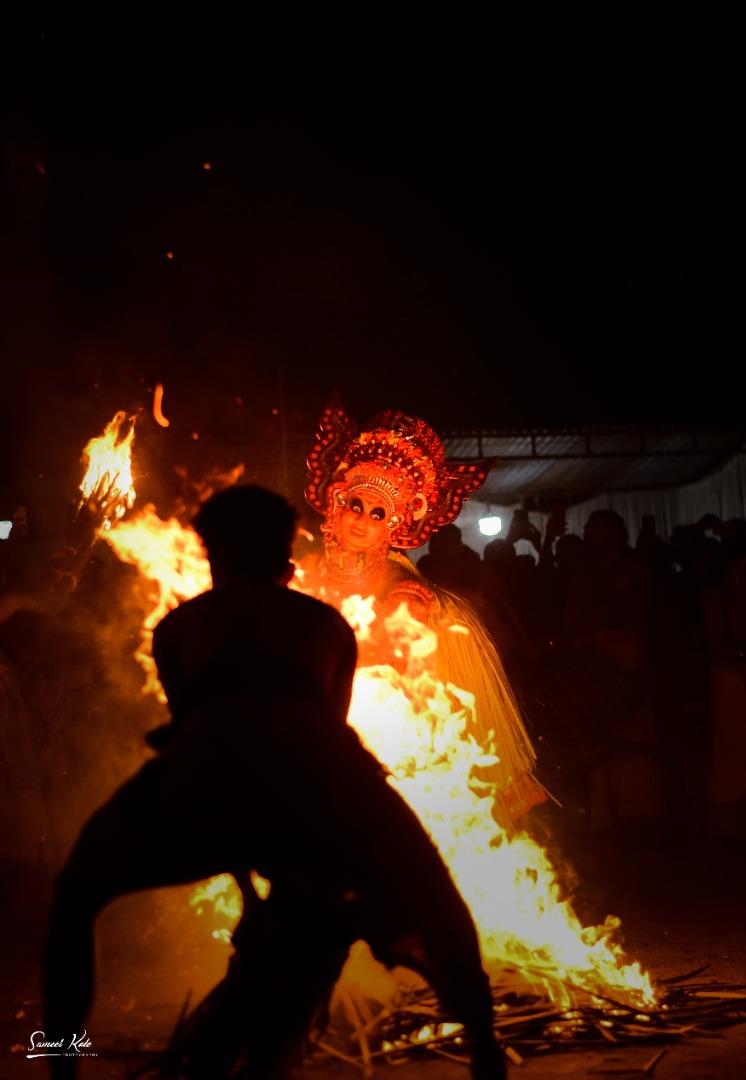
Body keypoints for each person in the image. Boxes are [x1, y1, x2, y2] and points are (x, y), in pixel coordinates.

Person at [42, 485, 504, 1079]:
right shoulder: (327, 625)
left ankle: (59, 1064)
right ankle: (485, 1048)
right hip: (323, 781)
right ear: (287, 562)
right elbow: (329, 730)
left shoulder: (178, 626)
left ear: (212, 556)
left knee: (77, 891)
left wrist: (250, 861)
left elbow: (192, 727)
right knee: (433, 894)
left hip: (211, 781)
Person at [305, 401, 545, 822]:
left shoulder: (405, 594)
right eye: (356, 506)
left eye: (377, 514)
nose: (361, 521)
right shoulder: (307, 569)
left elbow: (394, 672)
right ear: (336, 504)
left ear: (393, 525)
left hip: (387, 715)